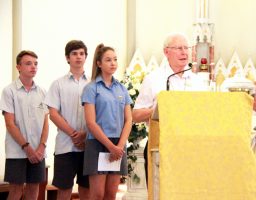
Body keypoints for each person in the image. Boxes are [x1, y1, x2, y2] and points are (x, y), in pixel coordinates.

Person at [132, 32, 205, 184]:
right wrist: (160, 109)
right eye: (179, 48)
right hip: (160, 145)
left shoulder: (198, 81)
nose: (184, 52)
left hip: (191, 146)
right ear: (166, 52)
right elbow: (136, 115)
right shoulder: (154, 79)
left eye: (186, 48)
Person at [81, 43, 132, 200]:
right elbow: (91, 123)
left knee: (110, 195)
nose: (113, 63)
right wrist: (111, 147)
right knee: (98, 195)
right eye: (108, 60)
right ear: (99, 63)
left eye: (115, 59)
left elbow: (129, 119)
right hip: (98, 143)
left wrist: (119, 146)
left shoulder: (122, 88)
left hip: (118, 144)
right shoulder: (91, 88)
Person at [44, 40, 90, 200]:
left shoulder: (93, 83)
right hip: (65, 146)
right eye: (74, 53)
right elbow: (53, 114)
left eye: (82, 53)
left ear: (86, 57)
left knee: (87, 190)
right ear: (67, 58)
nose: (78, 57)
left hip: (88, 145)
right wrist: (74, 134)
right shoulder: (58, 84)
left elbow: (99, 114)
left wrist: (84, 134)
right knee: (64, 191)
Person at [0, 50, 49, 200]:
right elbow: (10, 124)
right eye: (28, 63)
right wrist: (26, 148)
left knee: (34, 189)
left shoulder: (42, 92)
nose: (33, 67)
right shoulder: (9, 91)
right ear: (18, 67)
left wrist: (41, 146)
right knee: (16, 190)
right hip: (17, 151)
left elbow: (46, 123)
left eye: (35, 64)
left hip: (38, 151)